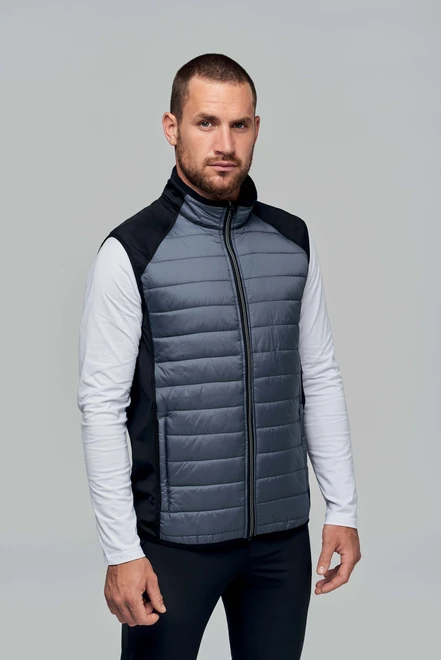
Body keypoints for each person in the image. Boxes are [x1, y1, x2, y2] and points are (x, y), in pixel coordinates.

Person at [77, 52, 361, 660]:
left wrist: (343, 508)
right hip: (174, 547)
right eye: (206, 122)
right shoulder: (131, 251)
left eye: (239, 125)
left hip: (280, 543)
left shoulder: (292, 240)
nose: (224, 144)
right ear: (171, 127)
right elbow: (100, 407)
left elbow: (319, 377)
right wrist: (121, 550)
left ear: (256, 128)